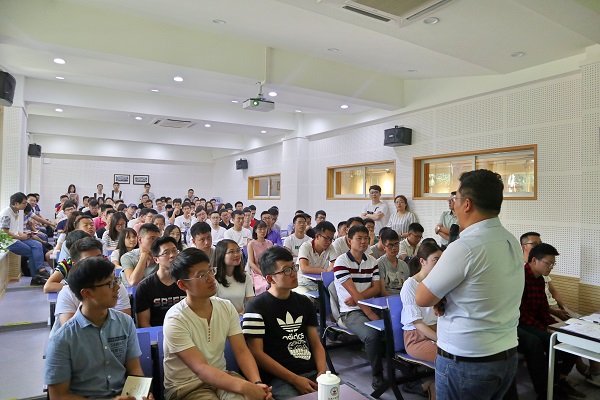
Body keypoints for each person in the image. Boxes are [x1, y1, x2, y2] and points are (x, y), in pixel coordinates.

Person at [415, 169, 524, 399]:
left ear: (467, 204)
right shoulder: (511, 240)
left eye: (455, 198)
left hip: (467, 362)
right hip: (505, 355)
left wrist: (439, 296)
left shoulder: (465, 247)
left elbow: (422, 297)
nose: (452, 205)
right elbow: (483, 289)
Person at [163, 248, 272, 400]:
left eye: (210, 271)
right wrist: (245, 387)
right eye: (202, 275)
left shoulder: (225, 307)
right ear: (183, 285)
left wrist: (257, 383)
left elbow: (241, 351)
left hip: (223, 378)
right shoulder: (175, 319)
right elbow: (201, 369)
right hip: (187, 387)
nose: (211, 278)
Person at [44, 256, 150, 400]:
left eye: (116, 280)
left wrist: (140, 395)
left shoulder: (125, 322)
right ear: (86, 293)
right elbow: (58, 396)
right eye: (110, 283)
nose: (117, 287)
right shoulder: (62, 339)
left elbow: (135, 368)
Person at [243, 247, 327, 399]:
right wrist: (295, 380)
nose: (294, 273)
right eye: (286, 270)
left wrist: (322, 373)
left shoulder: (304, 302)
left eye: (293, 267)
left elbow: (315, 343)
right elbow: (257, 353)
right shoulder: (256, 307)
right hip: (279, 378)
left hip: (311, 371)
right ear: (270, 279)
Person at [334, 224, 383, 389]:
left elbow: (376, 288)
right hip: (350, 312)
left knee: (396, 326)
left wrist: (357, 299)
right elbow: (353, 291)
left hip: (367, 305)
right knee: (371, 335)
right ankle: (378, 375)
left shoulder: (372, 261)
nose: (363, 241)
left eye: (366, 238)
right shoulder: (341, 261)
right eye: (359, 238)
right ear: (349, 241)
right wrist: (369, 313)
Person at [51, 237, 132, 335]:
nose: (97, 265)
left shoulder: (116, 285)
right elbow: (73, 335)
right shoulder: (67, 292)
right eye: (89, 261)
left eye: (99, 258)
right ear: (75, 265)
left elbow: (124, 329)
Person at [400, 242, 442, 400]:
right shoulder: (410, 285)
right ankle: (435, 387)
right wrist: (440, 339)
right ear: (422, 261)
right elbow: (417, 323)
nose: (440, 265)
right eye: (436, 260)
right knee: (447, 358)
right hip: (416, 338)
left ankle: (433, 385)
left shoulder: (438, 282)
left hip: (436, 331)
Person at [135, 236, 186, 327]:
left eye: (174, 251)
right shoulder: (145, 286)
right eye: (166, 252)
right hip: (156, 333)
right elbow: (144, 323)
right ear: (156, 259)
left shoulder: (187, 281)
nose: (172, 255)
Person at [1, 192, 50, 284]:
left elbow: (14, 229)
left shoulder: (15, 211)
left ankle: (41, 270)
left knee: (37, 244)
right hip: (8, 241)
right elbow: (5, 233)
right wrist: (20, 237)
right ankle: (36, 277)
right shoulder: (7, 214)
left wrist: (23, 235)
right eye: (24, 203)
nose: (26, 205)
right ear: (16, 204)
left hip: (15, 238)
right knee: (31, 252)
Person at [519, 232, 570, 321]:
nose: (551, 267)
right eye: (534, 244)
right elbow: (524, 315)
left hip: (549, 311)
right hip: (528, 322)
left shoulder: (540, 278)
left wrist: (562, 309)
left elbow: (543, 309)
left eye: (540, 243)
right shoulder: (520, 276)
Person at [212, 239, 254, 314]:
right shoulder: (213, 279)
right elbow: (212, 306)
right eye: (231, 252)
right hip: (221, 318)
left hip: (241, 316)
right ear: (221, 255)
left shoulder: (245, 276)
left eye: (238, 251)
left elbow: (250, 302)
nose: (236, 255)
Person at [296, 221, 336, 294]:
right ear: (317, 236)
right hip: (303, 284)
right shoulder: (306, 246)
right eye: (326, 238)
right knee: (308, 298)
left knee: (332, 296)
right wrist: (326, 271)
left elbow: (336, 264)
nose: (329, 242)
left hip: (319, 284)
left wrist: (332, 267)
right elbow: (304, 268)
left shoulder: (330, 247)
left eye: (331, 239)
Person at [377, 228, 410, 296]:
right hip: (386, 299)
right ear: (384, 247)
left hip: (403, 298)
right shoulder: (380, 263)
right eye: (390, 245)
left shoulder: (404, 264)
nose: (394, 248)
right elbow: (382, 291)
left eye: (396, 244)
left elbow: (407, 288)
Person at [247, 221, 273, 295]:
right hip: (257, 271)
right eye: (260, 229)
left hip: (269, 270)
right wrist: (262, 272)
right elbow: (251, 263)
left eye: (264, 229)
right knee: (265, 285)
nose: (263, 231)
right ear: (255, 230)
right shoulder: (251, 244)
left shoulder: (270, 243)